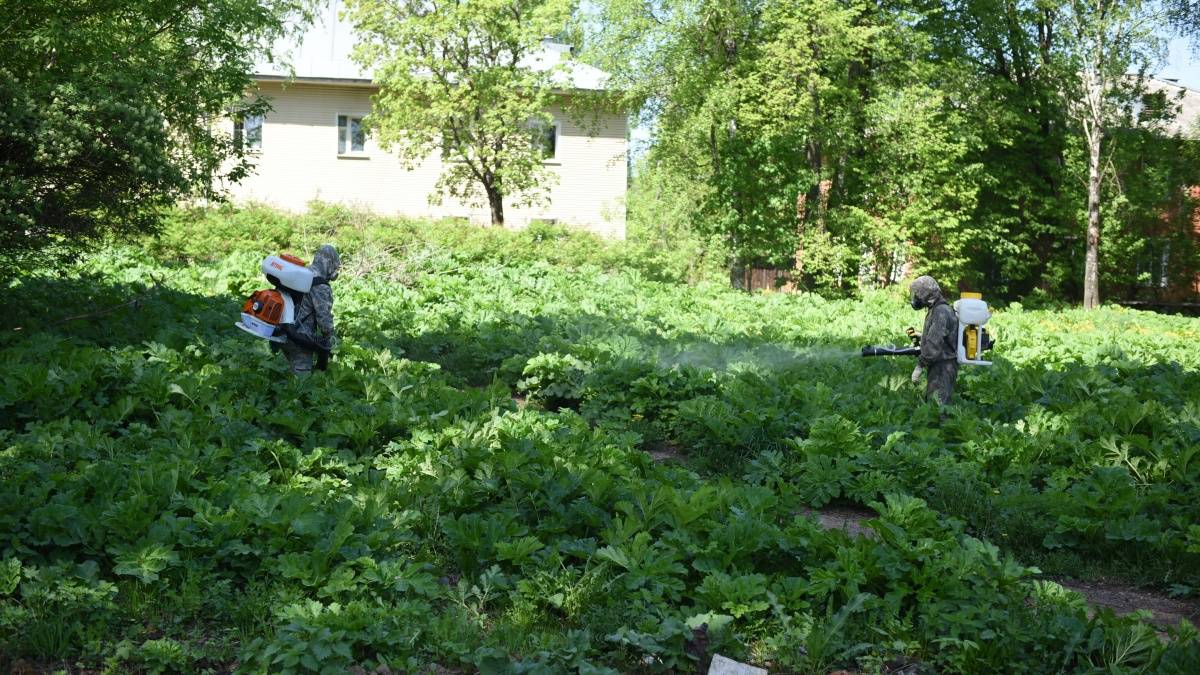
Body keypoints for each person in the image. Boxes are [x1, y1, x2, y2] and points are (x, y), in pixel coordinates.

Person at [278, 244, 341, 376]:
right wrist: (328, 340)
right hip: (300, 339)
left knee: (286, 377)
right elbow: (324, 321)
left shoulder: (301, 274)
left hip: (281, 332)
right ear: (330, 264)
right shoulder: (320, 285)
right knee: (302, 384)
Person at [908, 275, 958, 406]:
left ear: (926, 295)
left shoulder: (941, 312)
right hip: (940, 365)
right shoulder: (936, 309)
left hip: (943, 368)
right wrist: (922, 336)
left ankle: (943, 427)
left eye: (918, 294)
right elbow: (938, 335)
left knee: (939, 407)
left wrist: (919, 366)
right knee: (934, 404)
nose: (916, 298)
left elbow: (934, 345)